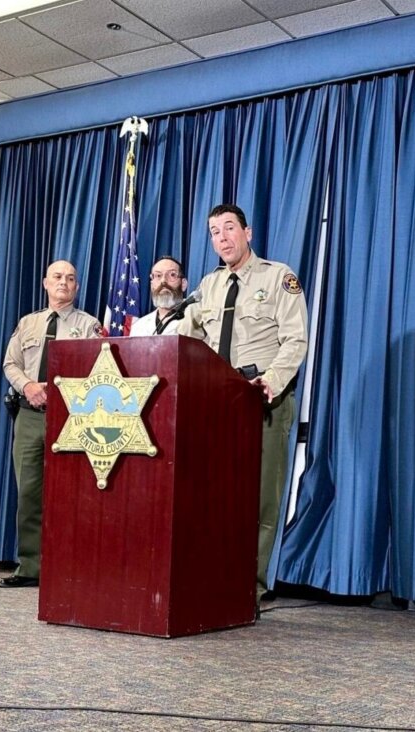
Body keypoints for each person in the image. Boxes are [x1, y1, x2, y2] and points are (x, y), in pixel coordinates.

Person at [179, 204, 308, 603]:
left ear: (247, 233)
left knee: (260, 499)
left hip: (261, 400)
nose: (222, 238)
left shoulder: (278, 277)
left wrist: (270, 381)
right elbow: (190, 334)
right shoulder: (210, 285)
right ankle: (216, 576)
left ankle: (248, 586)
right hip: (217, 404)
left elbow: (296, 339)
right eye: (215, 232)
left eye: (229, 228)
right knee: (216, 494)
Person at [0, 260, 101, 588]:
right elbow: (10, 363)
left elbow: (99, 372)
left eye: (70, 278)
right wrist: (28, 386)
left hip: (71, 419)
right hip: (29, 417)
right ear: (45, 282)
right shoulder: (28, 324)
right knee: (28, 493)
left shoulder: (89, 326)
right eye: (57, 277)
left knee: (70, 496)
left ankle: (69, 568)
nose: (63, 283)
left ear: (77, 287)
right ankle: (30, 567)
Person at [130, 256, 189, 337]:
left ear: (183, 284)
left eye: (172, 274)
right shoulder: (139, 327)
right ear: (151, 285)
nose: (163, 281)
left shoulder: (196, 320)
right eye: (158, 276)